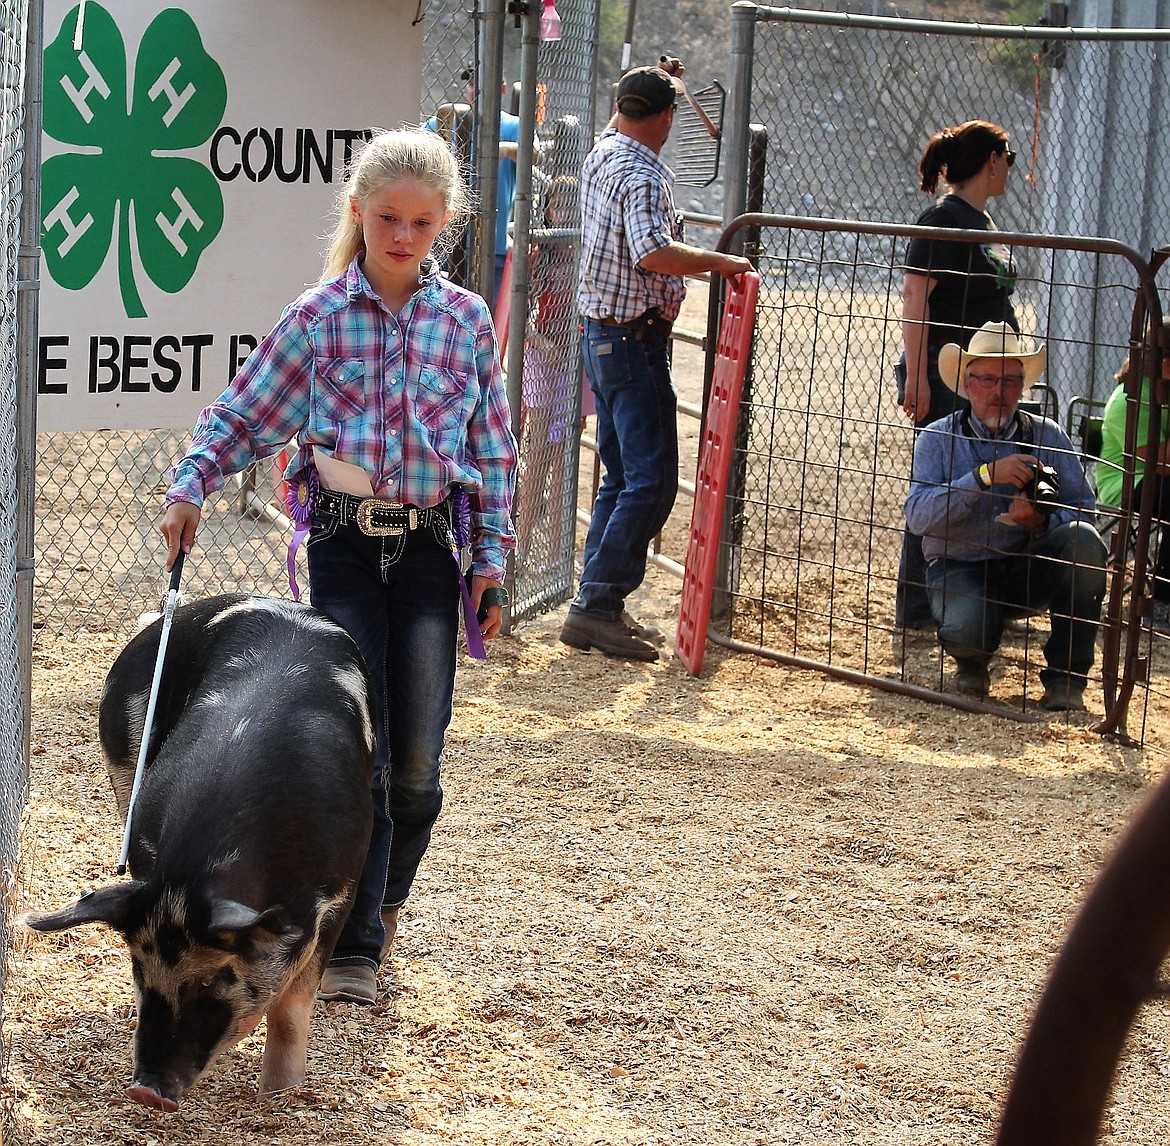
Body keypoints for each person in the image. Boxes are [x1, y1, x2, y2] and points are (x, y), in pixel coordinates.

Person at [159, 128, 518, 1006]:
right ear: (358, 211)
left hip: (433, 545)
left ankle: (385, 901)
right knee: (366, 740)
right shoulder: (319, 317)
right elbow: (245, 410)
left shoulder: (466, 322)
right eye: (387, 216)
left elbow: (493, 449)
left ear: (445, 226)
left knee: (419, 763)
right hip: (346, 542)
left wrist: (492, 558)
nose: (402, 235)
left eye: (422, 223)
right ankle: (355, 940)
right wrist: (191, 483)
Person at [560, 62, 753, 662]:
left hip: (603, 333)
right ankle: (597, 604)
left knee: (624, 477)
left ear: (623, 107)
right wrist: (722, 263)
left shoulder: (604, 154)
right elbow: (654, 252)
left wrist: (654, 76)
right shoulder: (642, 174)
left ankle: (598, 603)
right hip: (633, 339)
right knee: (649, 482)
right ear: (666, 117)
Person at [904, 321, 1107, 711]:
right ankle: (971, 660)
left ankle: (1066, 680)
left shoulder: (1047, 434)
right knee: (966, 627)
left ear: (1022, 387)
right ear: (967, 384)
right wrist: (984, 477)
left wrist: (1044, 521)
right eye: (988, 379)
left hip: (1025, 567)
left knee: (1083, 541)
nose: (1000, 391)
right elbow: (918, 516)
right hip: (959, 565)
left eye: (1011, 381)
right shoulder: (936, 437)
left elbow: (1086, 510)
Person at [897, 120, 1020, 631]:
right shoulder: (943, 220)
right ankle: (918, 603)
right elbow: (915, 299)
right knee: (939, 478)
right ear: (991, 160)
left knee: (981, 474)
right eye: (1008, 157)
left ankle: (972, 595)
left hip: (985, 374)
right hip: (948, 373)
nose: (1011, 168)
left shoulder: (982, 222)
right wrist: (918, 377)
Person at [516, 174, 578, 569]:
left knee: (564, 452)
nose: (566, 212)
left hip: (573, 359)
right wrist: (544, 344)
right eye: (559, 205)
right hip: (543, 357)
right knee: (537, 451)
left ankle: (558, 553)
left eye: (573, 205)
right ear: (549, 208)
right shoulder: (542, 253)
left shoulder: (584, 255)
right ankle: (520, 549)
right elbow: (521, 313)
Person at [1098, 327, 1170, 632]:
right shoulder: (1131, 398)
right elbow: (1162, 462)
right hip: (1127, 481)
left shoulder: (1163, 388)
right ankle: (1162, 603)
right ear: (1165, 364)